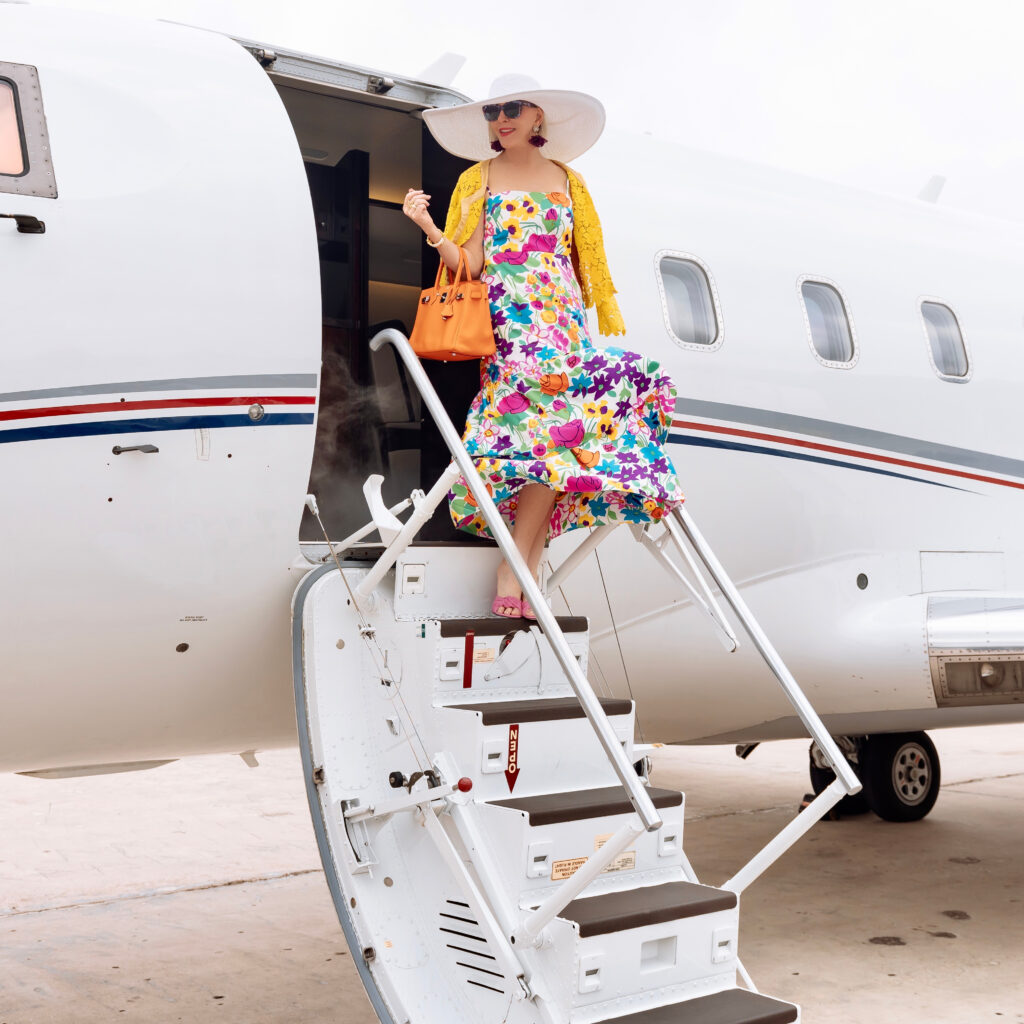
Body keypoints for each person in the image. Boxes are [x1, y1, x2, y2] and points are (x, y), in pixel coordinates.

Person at [403, 76, 684, 619]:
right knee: (539, 435)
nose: (501, 119)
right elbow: (470, 265)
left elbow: (580, 263)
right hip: (511, 319)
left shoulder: (568, 181)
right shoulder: (478, 178)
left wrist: (575, 315)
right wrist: (429, 228)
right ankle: (520, 568)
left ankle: (523, 566)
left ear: (538, 118)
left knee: (560, 438)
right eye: (493, 112)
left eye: (512, 108)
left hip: (564, 319)